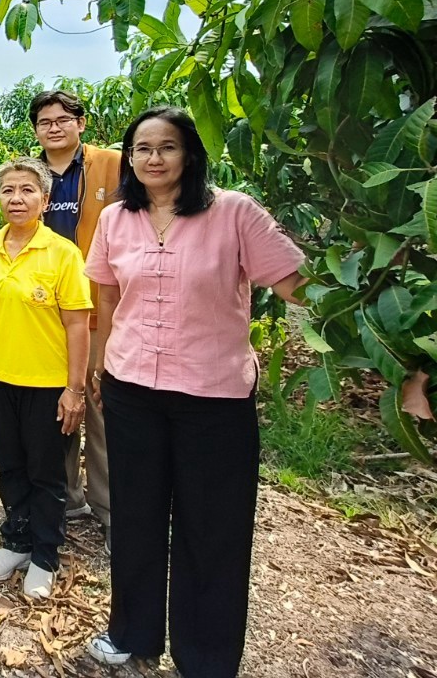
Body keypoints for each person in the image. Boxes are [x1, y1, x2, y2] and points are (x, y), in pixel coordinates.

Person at [83, 107, 305, 677]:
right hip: (132, 387)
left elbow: (295, 284)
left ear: (190, 154)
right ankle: (132, 631)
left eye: (167, 147)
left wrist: (375, 314)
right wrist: (105, 361)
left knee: (214, 527)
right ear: (129, 158)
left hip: (213, 396)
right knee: (135, 517)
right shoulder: (115, 220)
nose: (153, 158)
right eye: (142, 149)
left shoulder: (233, 213)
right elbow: (106, 296)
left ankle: (205, 656)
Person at [0, 159, 91, 599]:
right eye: (8, 190)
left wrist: (75, 389)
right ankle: (17, 539)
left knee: (46, 471)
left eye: (28, 190)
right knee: (10, 464)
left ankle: (45, 554)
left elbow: (77, 325)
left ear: (45, 201)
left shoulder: (63, 253)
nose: (17, 198)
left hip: (47, 383)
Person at [29, 89, 121, 540]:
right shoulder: (32, 175)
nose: (54, 127)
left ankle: (109, 509)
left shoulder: (112, 165)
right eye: (44, 121)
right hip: (47, 316)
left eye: (63, 119)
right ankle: (66, 497)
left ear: (81, 123)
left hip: (102, 312)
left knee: (101, 409)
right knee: (57, 409)